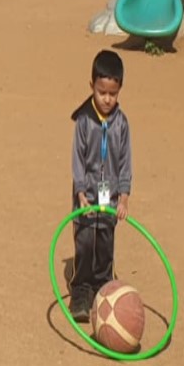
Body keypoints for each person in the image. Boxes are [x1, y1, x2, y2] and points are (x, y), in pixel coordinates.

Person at [67, 50, 133, 322]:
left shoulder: (121, 124)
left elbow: (125, 162)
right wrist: (81, 192)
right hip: (86, 197)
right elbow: (77, 159)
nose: (107, 99)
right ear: (91, 86)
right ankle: (81, 291)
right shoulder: (84, 121)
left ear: (120, 90)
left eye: (112, 94)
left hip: (109, 199)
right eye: (101, 92)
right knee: (85, 243)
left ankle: (103, 290)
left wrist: (124, 197)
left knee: (105, 245)